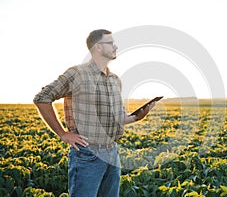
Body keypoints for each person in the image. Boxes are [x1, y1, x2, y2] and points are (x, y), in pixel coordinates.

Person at [33, 29, 155, 197]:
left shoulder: (115, 80)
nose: (115, 46)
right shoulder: (77, 74)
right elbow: (42, 98)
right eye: (110, 43)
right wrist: (63, 133)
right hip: (87, 154)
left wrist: (136, 117)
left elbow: (116, 118)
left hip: (112, 152)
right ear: (98, 47)